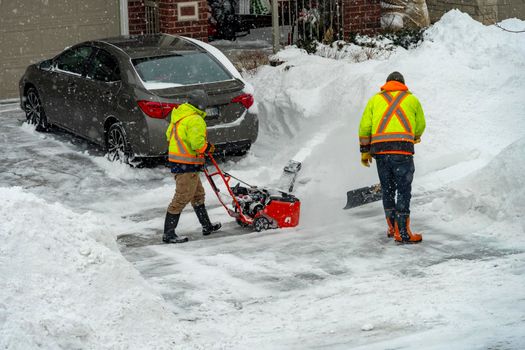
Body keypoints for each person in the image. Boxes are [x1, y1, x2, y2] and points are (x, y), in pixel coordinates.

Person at [358, 72, 426, 244]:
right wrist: (414, 136)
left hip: (380, 152)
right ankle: (402, 232)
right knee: (403, 190)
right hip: (402, 151)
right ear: (402, 84)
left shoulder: (375, 100)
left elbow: (365, 127)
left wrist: (364, 151)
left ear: (387, 84)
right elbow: (420, 125)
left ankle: (391, 227)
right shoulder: (412, 100)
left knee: (387, 189)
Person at [162, 90, 221, 244]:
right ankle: (168, 234)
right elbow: (197, 144)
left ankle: (206, 226)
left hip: (181, 163)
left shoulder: (179, 117)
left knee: (197, 195)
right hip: (186, 164)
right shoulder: (195, 119)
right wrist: (209, 148)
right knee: (182, 197)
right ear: (201, 104)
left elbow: (169, 136)